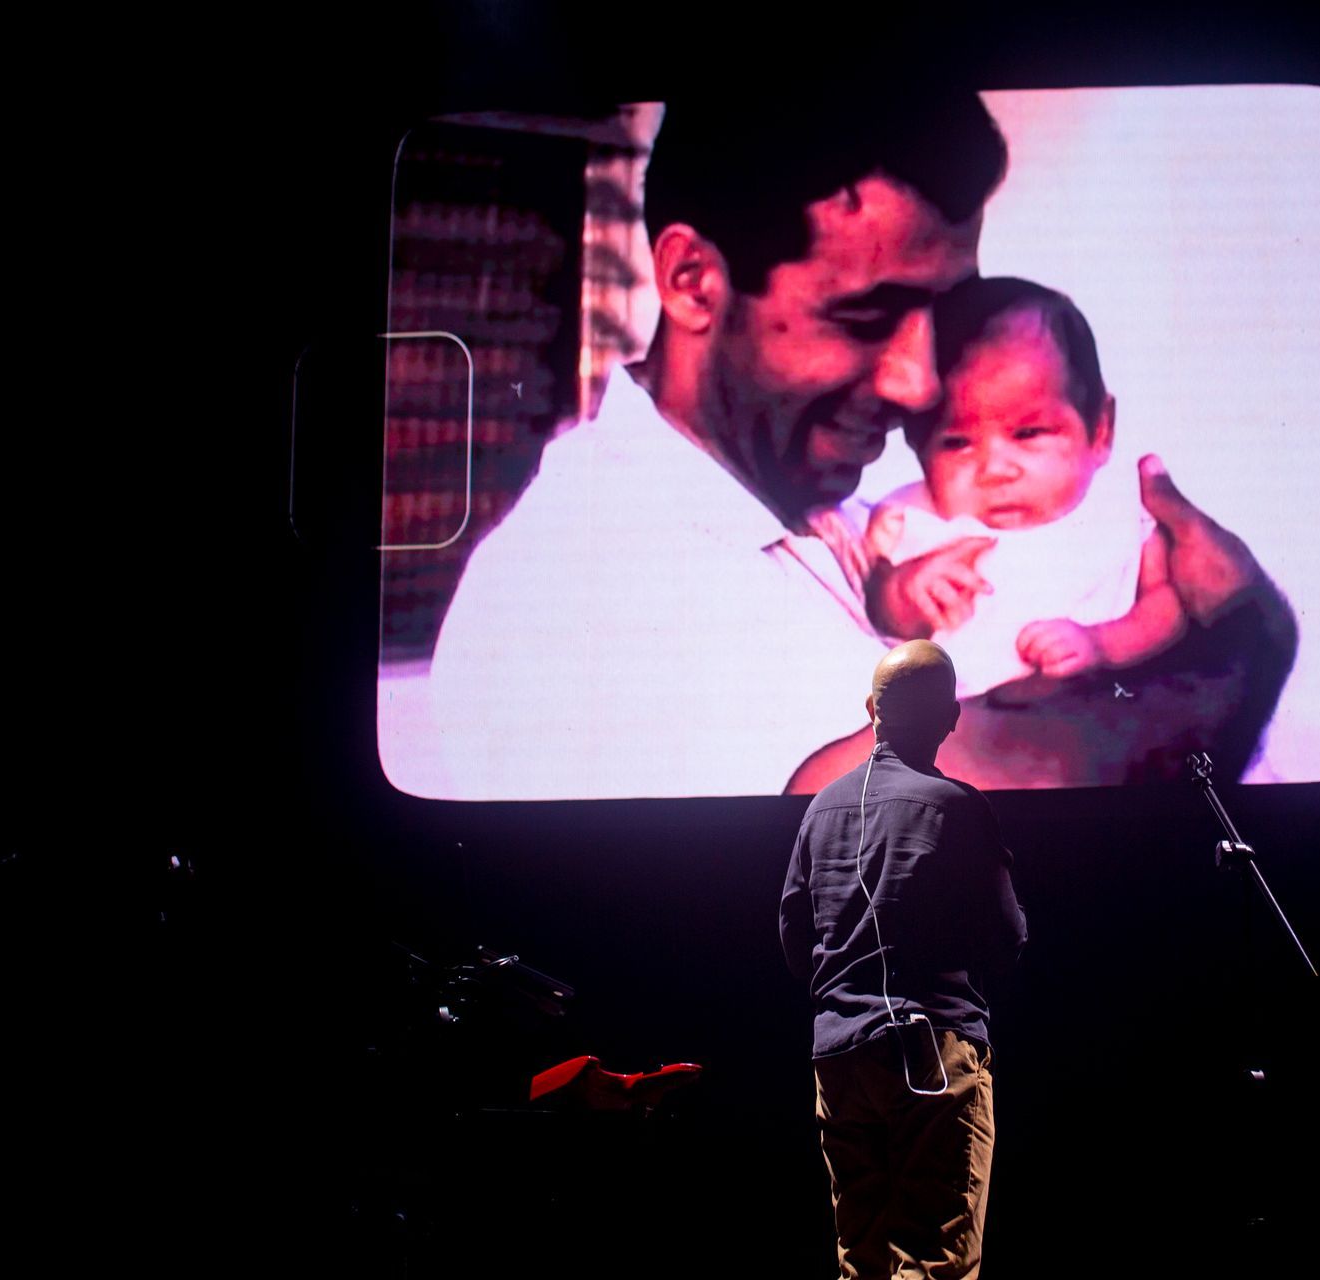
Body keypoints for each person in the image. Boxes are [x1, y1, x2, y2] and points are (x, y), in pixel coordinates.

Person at [424, 93, 1008, 798]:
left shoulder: (814, 502)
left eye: (945, 317)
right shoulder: (571, 595)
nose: (920, 383)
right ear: (692, 282)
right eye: (864, 318)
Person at [780, 640, 1027, 1279]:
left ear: (871, 709)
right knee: (933, 1263)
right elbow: (1007, 936)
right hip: (931, 1053)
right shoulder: (958, 807)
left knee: (859, 1262)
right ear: (951, 717)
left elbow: (794, 939)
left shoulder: (819, 809)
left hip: (839, 1059)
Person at [865, 276, 1187, 698]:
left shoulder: (1120, 511)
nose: (995, 470)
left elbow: (1165, 608)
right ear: (918, 449)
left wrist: (1101, 644)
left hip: (1100, 708)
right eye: (957, 443)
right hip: (965, 723)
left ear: (1100, 431)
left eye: (1029, 433)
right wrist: (903, 595)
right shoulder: (912, 519)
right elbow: (876, 608)